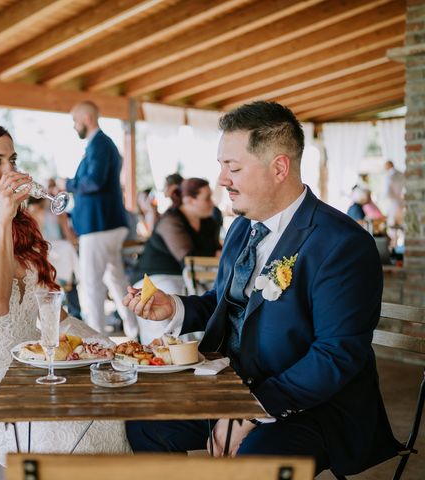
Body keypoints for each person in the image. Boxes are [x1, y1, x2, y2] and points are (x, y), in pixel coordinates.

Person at [123, 102, 399, 476]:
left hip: (314, 406)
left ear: (279, 168)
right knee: (146, 423)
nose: (221, 179)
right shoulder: (241, 228)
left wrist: (251, 409)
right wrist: (173, 307)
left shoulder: (341, 243)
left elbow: (336, 355)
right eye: (222, 166)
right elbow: (224, 303)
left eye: (233, 168)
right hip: (234, 387)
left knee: (253, 462)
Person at [0, 122, 129, 464]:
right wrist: (4, 219)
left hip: (33, 371)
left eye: (12, 161)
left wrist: (111, 349)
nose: (10, 172)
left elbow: (55, 317)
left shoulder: (23, 234)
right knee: (55, 432)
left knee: (106, 406)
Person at [63, 101, 138, 338]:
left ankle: (95, 339)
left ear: (86, 118)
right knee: (116, 280)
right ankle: (135, 330)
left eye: (75, 121)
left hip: (99, 225)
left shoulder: (100, 144)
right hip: (105, 224)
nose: (75, 127)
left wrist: (67, 184)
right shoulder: (101, 145)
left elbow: (94, 181)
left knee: (91, 284)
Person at [132, 178, 221, 343]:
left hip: (189, 278)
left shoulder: (210, 222)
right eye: (207, 198)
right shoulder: (170, 220)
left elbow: (217, 252)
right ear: (189, 200)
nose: (211, 202)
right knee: (169, 295)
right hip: (155, 276)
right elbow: (188, 257)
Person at [383, 160, 405, 227]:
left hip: (393, 201)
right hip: (401, 200)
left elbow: (387, 192)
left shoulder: (389, 176)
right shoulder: (401, 174)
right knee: (401, 221)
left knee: (392, 223)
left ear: (388, 166)